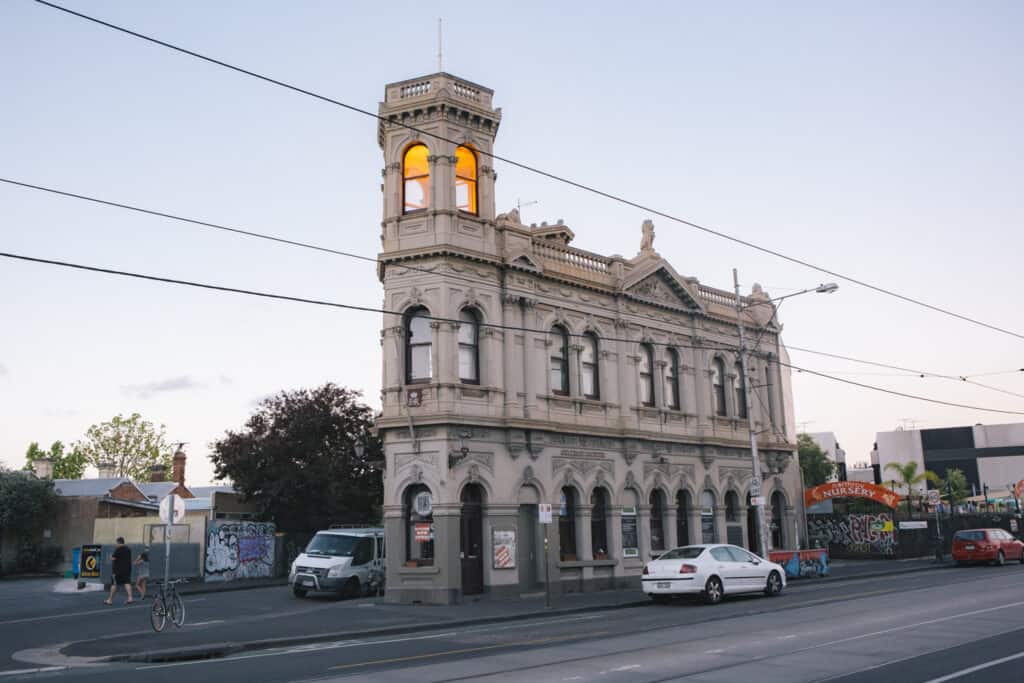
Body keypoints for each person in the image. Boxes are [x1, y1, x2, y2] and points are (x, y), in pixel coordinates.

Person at [104, 537, 134, 605]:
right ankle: (130, 598)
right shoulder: (128, 549)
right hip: (127, 569)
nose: (116, 544)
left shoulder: (118, 549)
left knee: (114, 584)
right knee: (127, 582)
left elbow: (113, 558)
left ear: (118, 542)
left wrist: (111, 557)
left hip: (117, 570)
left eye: (116, 543)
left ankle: (110, 600)